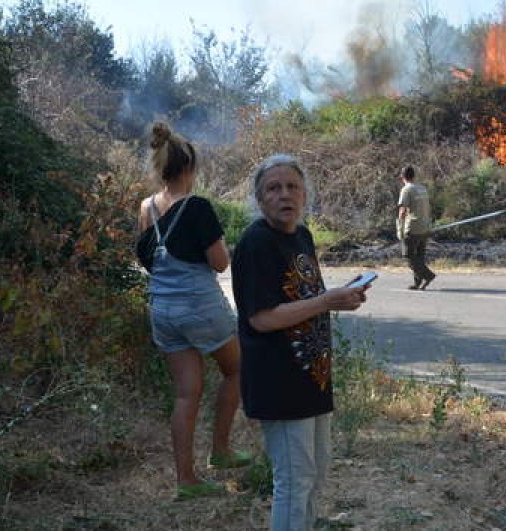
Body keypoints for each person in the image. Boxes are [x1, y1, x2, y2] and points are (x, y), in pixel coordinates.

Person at [232, 154, 370, 531]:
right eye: (273, 188)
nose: (284, 195)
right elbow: (262, 318)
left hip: (311, 377)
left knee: (316, 471)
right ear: (259, 199)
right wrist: (326, 301)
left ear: (305, 194)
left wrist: (341, 297)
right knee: (294, 480)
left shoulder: (301, 236)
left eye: (292, 186)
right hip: (279, 382)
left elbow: (303, 298)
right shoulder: (256, 243)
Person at [135, 122, 249, 500]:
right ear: (189, 168)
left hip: (163, 312)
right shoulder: (197, 207)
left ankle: (186, 480)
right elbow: (220, 263)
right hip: (200, 307)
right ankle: (221, 451)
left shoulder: (146, 208)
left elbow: (147, 259)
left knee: (186, 394)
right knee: (237, 369)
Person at [397, 165, 436, 290]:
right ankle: (417, 282)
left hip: (413, 227)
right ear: (414, 176)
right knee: (419, 257)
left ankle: (428, 275)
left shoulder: (406, 190)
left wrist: (400, 228)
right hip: (425, 226)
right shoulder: (422, 188)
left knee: (408, 256)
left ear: (402, 177)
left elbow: (403, 210)